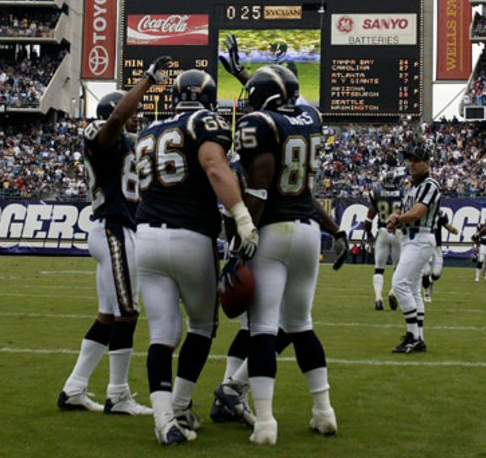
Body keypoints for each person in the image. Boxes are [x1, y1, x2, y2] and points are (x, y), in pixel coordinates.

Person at [212, 65, 339, 445]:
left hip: (273, 231)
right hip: (307, 232)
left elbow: (262, 189)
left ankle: (265, 422)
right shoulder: (311, 117)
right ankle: (324, 412)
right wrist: (337, 230)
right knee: (301, 324)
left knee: (264, 328)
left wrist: (241, 241)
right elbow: (300, 188)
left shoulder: (260, 123)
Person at [133, 69, 259, 446]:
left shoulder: (149, 129)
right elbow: (214, 166)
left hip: (146, 237)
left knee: (161, 334)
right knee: (202, 328)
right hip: (190, 235)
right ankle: (181, 404)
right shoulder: (204, 121)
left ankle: (164, 419)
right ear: (207, 95)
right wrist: (241, 215)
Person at [57, 56, 168, 416]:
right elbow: (118, 118)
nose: (135, 116)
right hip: (114, 230)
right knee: (127, 313)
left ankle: (74, 388)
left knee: (108, 315)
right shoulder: (101, 135)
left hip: (117, 229)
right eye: (129, 111)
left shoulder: (128, 144)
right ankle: (118, 395)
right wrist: (148, 80)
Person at [385, 144, 443, 353]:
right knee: (412, 289)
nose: (411, 164)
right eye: (409, 160)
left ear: (427, 163)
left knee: (399, 283)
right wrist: (395, 216)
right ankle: (420, 337)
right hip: (410, 238)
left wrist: (398, 220)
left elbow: (417, 212)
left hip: (420, 237)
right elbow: (403, 208)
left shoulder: (430, 184)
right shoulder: (412, 186)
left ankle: (412, 336)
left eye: (415, 160)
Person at [363, 171, 404, 310]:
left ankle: (378, 297)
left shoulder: (377, 193)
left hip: (382, 231)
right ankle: (393, 291)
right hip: (398, 232)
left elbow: (368, 220)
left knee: (379, 269)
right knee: (398, 268)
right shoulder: (402, 194)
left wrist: (369, 234)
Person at [421, 213, 458, 302]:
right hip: (425, 246)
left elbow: (447, 226)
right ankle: (426, 293)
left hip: (436, 247)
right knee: (425, 272)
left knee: (437, 273)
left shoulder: (439, 217)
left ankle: (431, 281)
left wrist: (453, 230)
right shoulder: (422, 216)